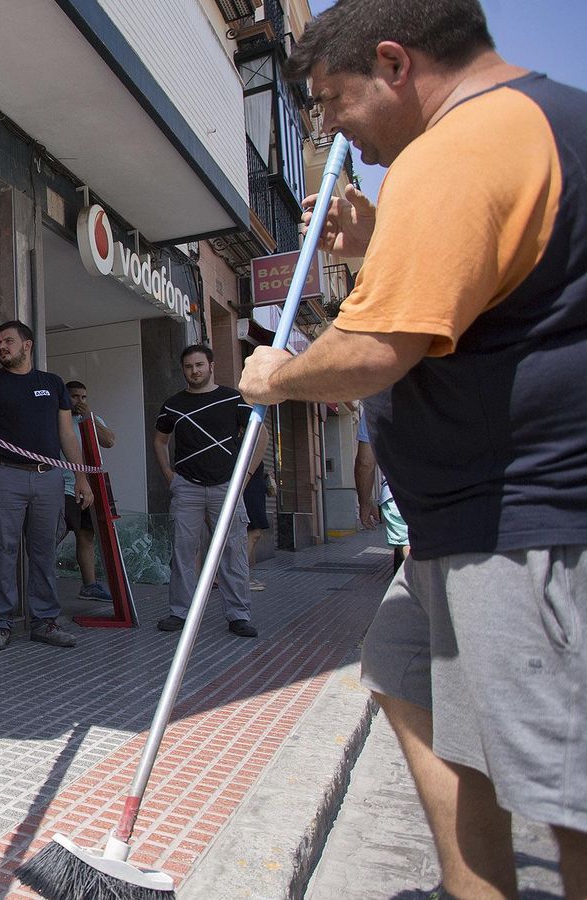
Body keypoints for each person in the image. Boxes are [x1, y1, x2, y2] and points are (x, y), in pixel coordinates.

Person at [241, 1, 587, 893]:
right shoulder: (523, 128)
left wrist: (274, 376)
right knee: (402, 673)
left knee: (565, 791)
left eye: (326, 102)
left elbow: (370, 354)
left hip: (522, 522)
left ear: (393, 64)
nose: (326, 128)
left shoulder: (464, 145)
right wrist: (377, 241)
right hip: (461, 525)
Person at [0, 320, 91, 651]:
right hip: (3, 474)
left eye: (8, 341)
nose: (2, 347)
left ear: (27, 345)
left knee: (44, 551)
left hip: (49, 476)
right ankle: (0, 622)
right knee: (2, 550)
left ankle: (45, 621)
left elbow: (67, 434)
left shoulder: (52, 383)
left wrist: (80, 477)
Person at [154, 344, 267, 638]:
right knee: (182, 553)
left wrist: (246, 477)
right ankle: (180, 612)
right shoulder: (172, 404)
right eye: (189, 367)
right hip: (187, 487)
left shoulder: (234, 399)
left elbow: (260, 436)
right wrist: (169, 475)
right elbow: (160, 441)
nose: (194, 371)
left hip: (226, 487)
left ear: (211, 365)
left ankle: (239, 616)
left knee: (233, 553)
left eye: (199, 365)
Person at [61, 380, 116, 602]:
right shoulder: (58, 420)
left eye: (83, 397)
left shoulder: (92, 419)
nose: (80, 402)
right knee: (56, 532)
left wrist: (90, 417)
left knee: (86, 535)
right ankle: (36, 581)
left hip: (91, 489)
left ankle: (89, 585)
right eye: (75, 397)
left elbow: (110, 441)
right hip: (64, 486)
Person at [353, 414, 409, 570]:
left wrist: (365, 502)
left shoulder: (377, 399)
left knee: (414, 562)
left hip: (399, 494)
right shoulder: (450, 390)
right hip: (451, 492)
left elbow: (365, 463)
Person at [242, 462, 273, 591]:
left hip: (254, 488)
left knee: (253, 533)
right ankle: (239, 577)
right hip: (248, 489)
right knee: (253, 533)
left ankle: (242, 576)